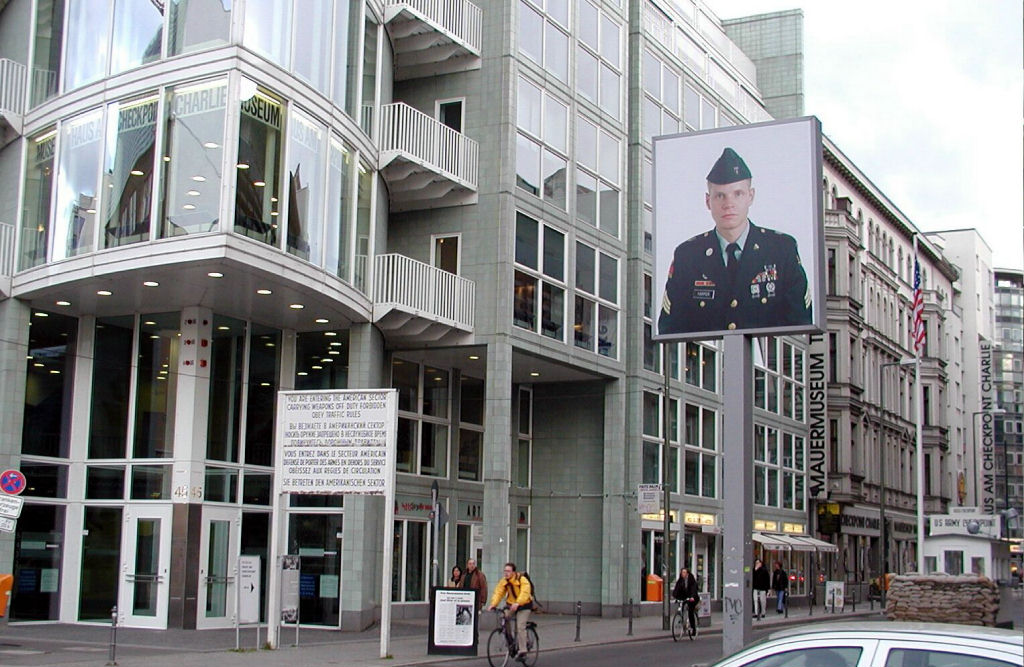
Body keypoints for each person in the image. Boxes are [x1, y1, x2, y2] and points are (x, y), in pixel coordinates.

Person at [658, 147, 813, 335]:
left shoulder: (781, 249)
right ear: (708, 201)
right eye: (720, 195)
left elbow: (800, 324)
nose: (728, 204)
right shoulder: (688, 255)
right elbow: (670, 329)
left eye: (737, 194)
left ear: (751, 196)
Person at [486, 562, 534, 661]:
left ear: (513, 572)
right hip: (511, 605)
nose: (506, 573)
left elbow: (525, 593)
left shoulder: (522, 580)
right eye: (505, 571)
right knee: (504, 618)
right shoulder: (504, 581)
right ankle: (510, 641)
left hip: (524, 605)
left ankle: (523, 651)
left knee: (520, 626)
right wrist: (493, 604)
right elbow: (498, 593)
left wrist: (518, 603)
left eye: (508, 571)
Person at [671, 566, 698, 633]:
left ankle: (693, 628)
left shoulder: (691, 580)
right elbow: (677, 588)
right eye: (682, 572)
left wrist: (692, 597)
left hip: (692, 597)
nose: (683, 574)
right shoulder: (680, 580)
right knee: (681, 607)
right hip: (684, 597)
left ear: (687, 573)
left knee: (690, 611)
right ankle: (683, 620)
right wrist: (674, 596)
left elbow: (694, 589)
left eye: (684, 572)